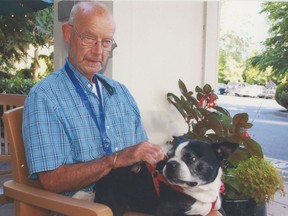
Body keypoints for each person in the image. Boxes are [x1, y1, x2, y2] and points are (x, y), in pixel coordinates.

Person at [23, 2, 222, 216]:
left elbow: (143, 160)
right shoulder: (46, 96)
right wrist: (114, 159)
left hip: (130, 198)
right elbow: (51, 180)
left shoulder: (119, 92)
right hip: (84, 206)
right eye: (89, 38)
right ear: (68, 34)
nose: (98, 51)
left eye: (106, 42)